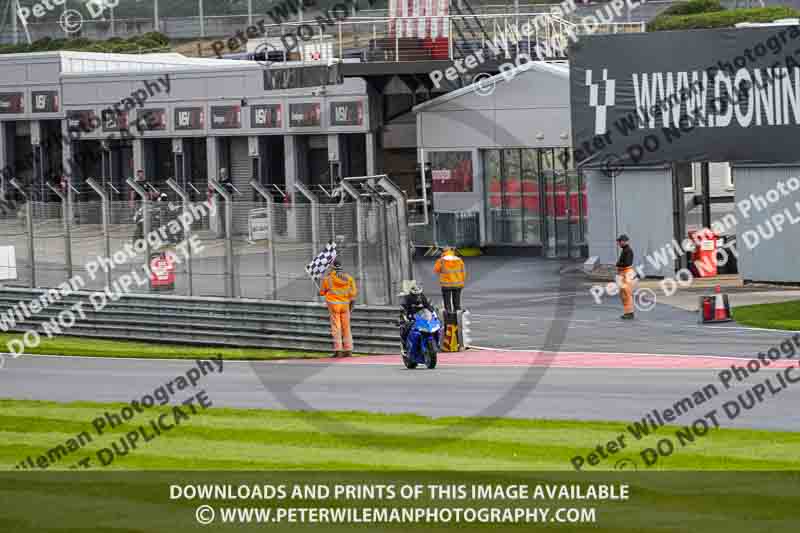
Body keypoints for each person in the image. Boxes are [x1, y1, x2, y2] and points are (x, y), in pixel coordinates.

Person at [319, 260, 358, 358]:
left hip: (334, 306)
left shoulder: (327, 279)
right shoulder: (349, 278)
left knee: (336, 328)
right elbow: (353, 294)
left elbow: (322, 292)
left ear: (332, 267)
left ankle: (338, 350)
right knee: (346, 328)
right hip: (345, 306)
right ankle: (348, 350)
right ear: (341, 267)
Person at [400, 283, 435, 355]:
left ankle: (436, 343)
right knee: (407, 327)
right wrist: (407, 315)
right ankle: (404, 346)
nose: (418, 296)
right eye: (416, 295)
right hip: (411, 316)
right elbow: (405, 308)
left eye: (419, 294)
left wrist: (432, 312)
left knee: (436, 324)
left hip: (422, 316)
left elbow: (427, 305)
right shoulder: (407, 298)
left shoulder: (422, 296)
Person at [434, 247, 466, 313]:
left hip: (446, 285)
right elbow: (463, 272)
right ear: (452, 252)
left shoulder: (441, 260)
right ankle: (457, 318)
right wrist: (462, 283)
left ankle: (449, 319)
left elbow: (436, 270)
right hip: (457, 284)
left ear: (443, 252)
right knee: (457, 304)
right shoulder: (459, 260)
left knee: (447, 304)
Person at [616, 234, 635, 320]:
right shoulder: (625, 250)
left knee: (627, 293)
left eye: (620, 241)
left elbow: (628, 263)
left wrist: (618, 264)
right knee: (623, 294)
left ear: (625, 241)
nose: (619, 243)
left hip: (626, 273)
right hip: (623, 273)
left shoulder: (628, 251)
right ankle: (627, 312)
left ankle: (629, 312)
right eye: (619, 241)